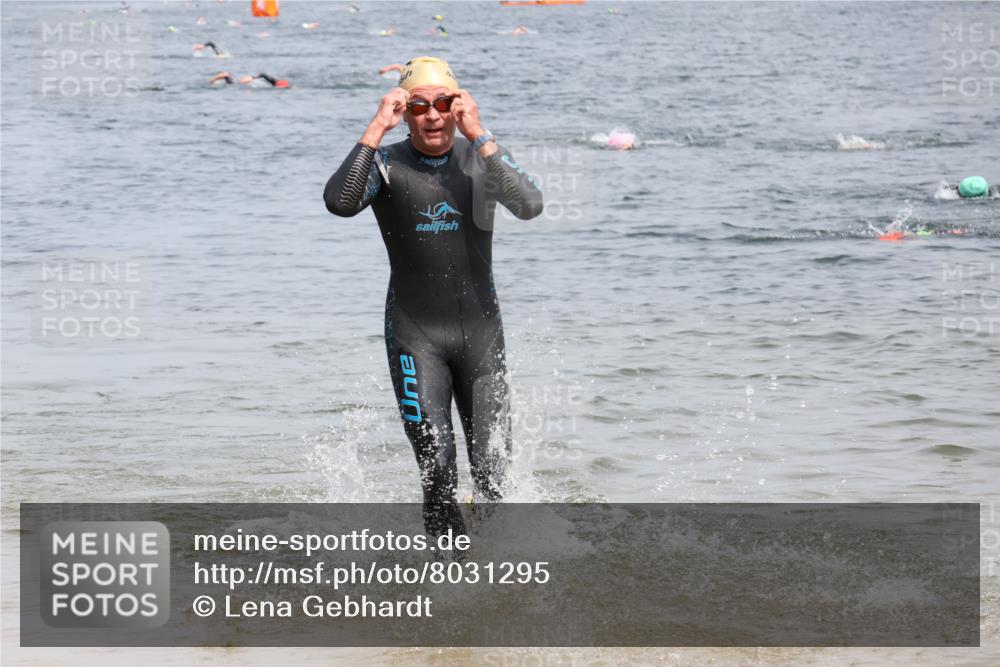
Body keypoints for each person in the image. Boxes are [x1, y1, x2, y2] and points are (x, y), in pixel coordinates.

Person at [324, 57, 543, 536]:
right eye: (419, 106)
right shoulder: (386, 164)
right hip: (415, 337)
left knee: (493, 469)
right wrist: (376, 127)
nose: (433, 115)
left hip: (482, 336)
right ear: (405, 112)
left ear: (457, 105)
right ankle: (447, 581)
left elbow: (529, 205)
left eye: (443, 103)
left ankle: (494, 579)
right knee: (438, 465)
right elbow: (340, 202)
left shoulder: (479, 161)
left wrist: (479, 133)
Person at [210, 72, 289, 88]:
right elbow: (263, 74)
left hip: (246, 82)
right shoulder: (273, 82)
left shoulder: (274, 84)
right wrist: (252, 78)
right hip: (247, 81)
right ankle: (224, 76)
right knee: (233, 82)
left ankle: (217, 78)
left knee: (232, 82)